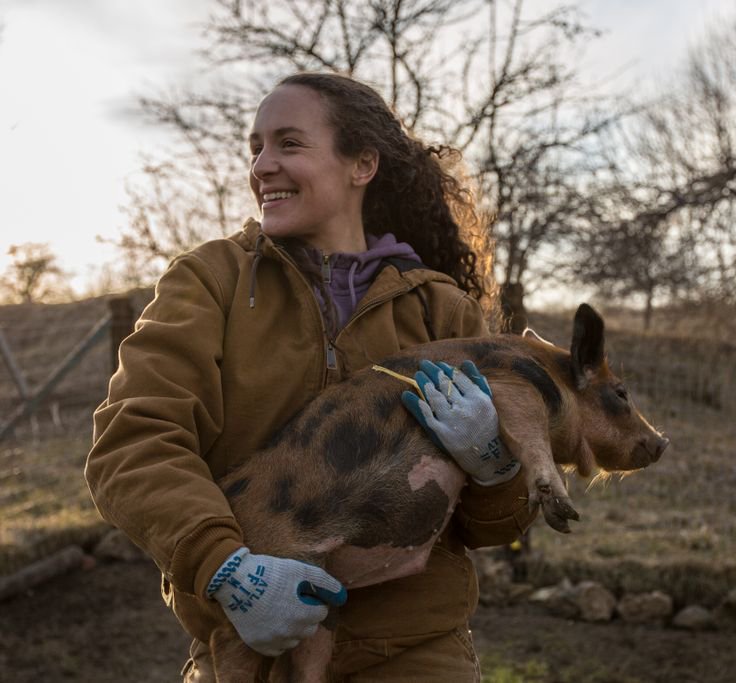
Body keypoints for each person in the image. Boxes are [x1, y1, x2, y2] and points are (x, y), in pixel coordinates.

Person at [84, 72, 535, 681]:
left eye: (289, 144)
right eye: (256, 148)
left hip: (416, 656)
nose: (263, 165)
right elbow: (133, 444)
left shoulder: (441, 310)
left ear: (362, 164)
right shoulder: (210, 282)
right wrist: (228, 572)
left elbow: (491, 527)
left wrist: (495, 464)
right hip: (247, 648)